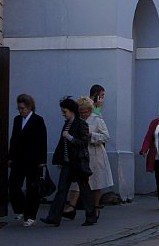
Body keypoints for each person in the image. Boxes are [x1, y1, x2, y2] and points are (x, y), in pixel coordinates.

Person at [42, 97, 98, 227]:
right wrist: (60, 159)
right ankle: (54, 217)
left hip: (78, 162)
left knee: (84, 190)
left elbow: (83, 143)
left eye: (65, 111)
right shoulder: (66, 124)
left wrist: (70, 137)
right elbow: (63, 144)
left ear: (72, 111)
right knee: (62, 189)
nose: (63, 114)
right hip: (68, 162)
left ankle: (91, 216)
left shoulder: (81, 124)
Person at [63, 96, 112, 216]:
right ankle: (71, 206)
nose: (84, 114)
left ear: (90, 110)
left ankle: (95, 207)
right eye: (81, 112)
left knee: (96, 182)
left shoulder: (97, 119)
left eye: (86, 112)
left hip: (95, 154)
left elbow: (106, 136)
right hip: (80, 154)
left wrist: (91, 135)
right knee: (77, 182)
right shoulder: (77, 120)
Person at [7, 93, 48, 227]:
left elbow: (43, 141)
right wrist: (10, 157)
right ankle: (21, 208)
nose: (20, 111)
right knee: (13, 185)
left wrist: (42, 160)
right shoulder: (17, 120)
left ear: (30, 107)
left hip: (33, 159)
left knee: (32, 188)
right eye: (19, 108)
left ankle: (30, 216)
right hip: (18, 159)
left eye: (22, 108)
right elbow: (13, 139)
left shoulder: (38, 120)